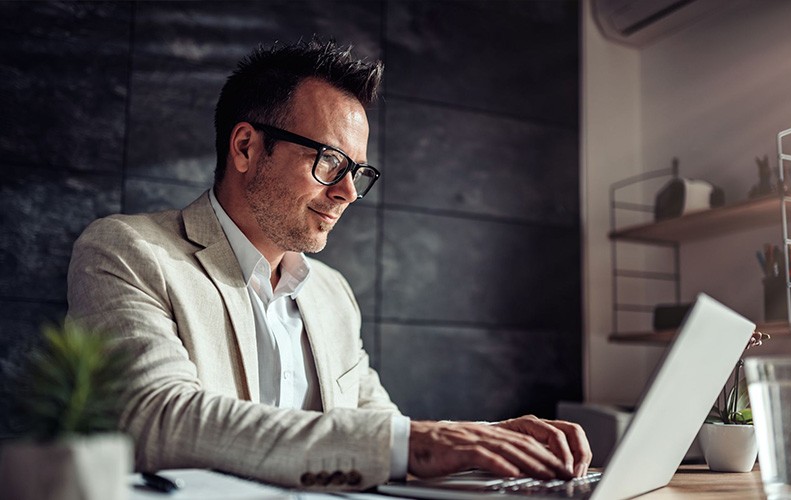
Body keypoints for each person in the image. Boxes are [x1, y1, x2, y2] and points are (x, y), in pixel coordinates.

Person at [67, 39, 591, 490]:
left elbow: (379, 428)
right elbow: (157, 420)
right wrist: (428, 443)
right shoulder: (127, 251)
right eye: (329, 161)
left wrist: (490, 442)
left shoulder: (332, 293)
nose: (347, 192)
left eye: (357, 171)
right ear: (246, 147)